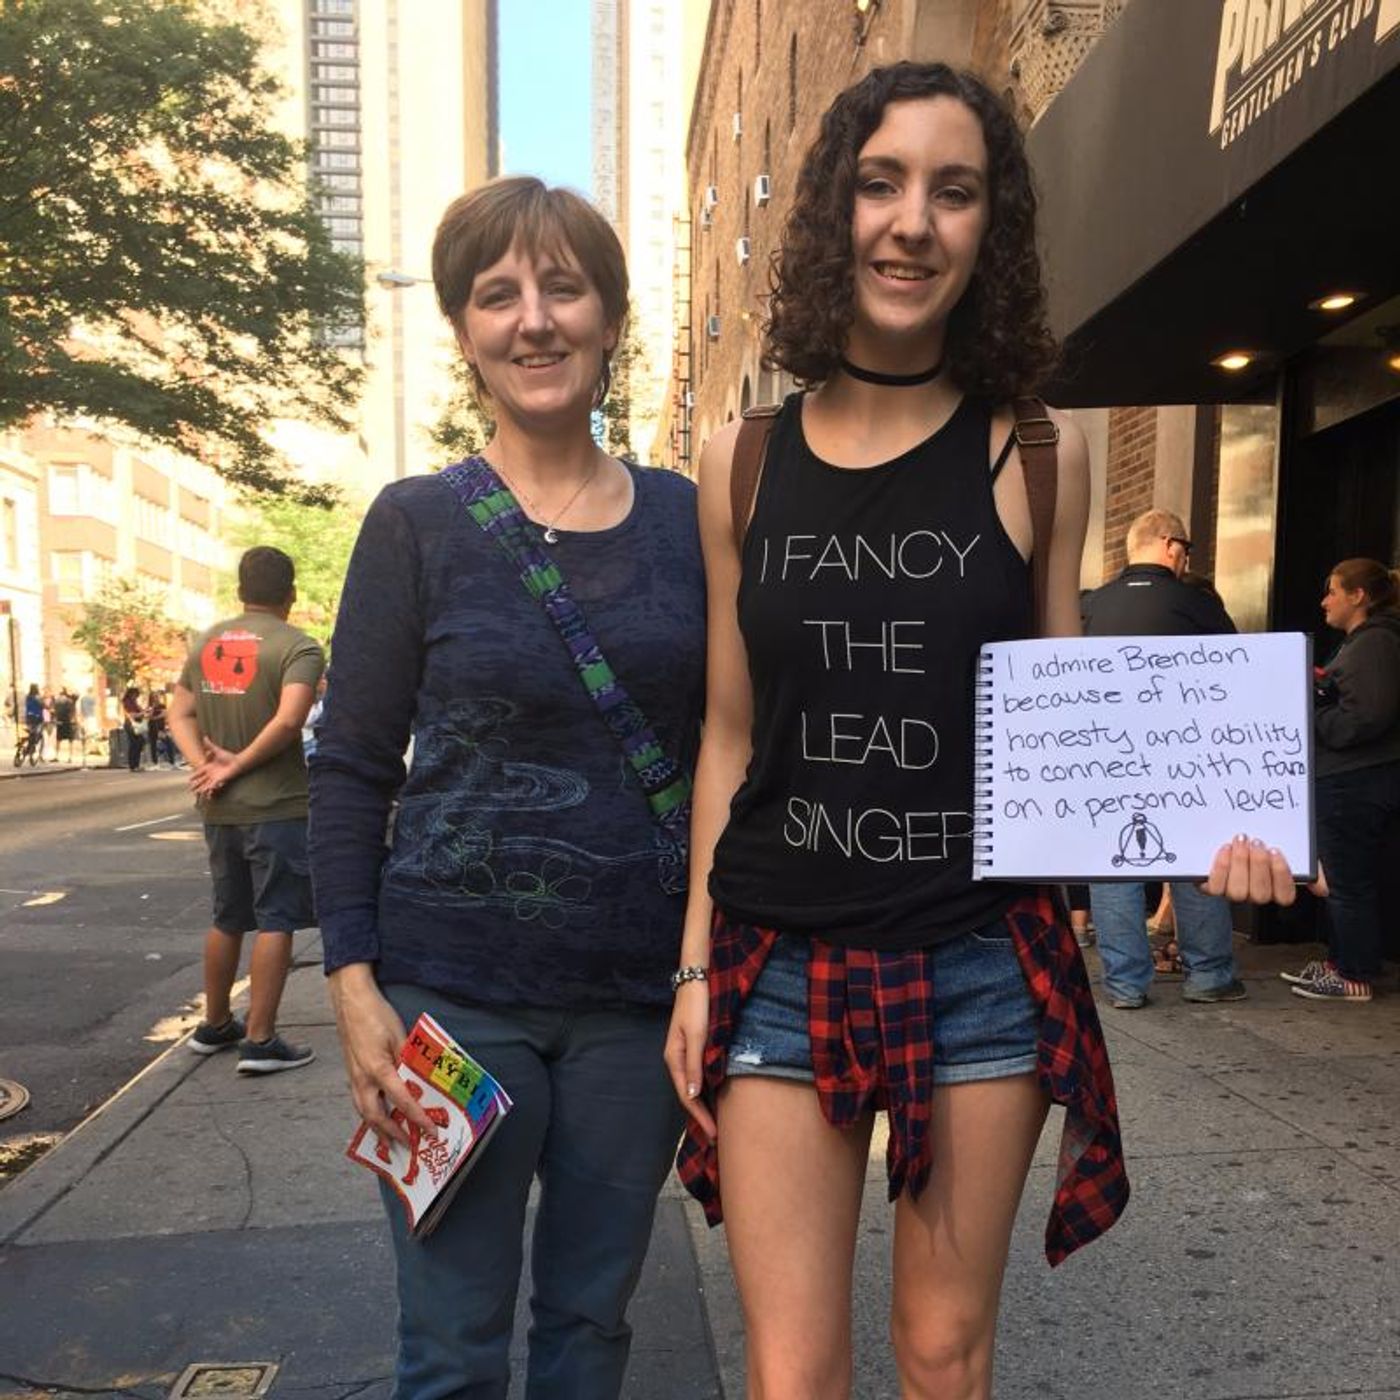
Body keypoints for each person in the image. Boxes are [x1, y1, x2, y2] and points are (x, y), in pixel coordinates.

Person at [662, 62, 1302, 1400]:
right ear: (835, 212)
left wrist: (1219, 828)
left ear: (987, 231)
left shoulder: (1034, 454)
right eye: (881, 184)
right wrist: (694, 970)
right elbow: (729, 737)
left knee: (947, 1359)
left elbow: (1081, 740)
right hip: (776, 954)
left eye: (952, 192)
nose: (913, 222)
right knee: (793, 1375)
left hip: (982, 957)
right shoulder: (742, 460)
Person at [309, 176, 705, 1399]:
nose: (533, 320)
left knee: (591, 1329)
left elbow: (735, 751)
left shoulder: (691, 519)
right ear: (465, 329)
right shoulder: (415, 521)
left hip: (636, 1009)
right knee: (451, 1347)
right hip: (446, 1004)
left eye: (562, 287)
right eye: (497, 295)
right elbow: (352, 761)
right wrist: (352, 983)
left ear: (610, 316)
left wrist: (705, 974)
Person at [1082, 508, 1248, 1008]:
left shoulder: (1090, 605)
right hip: (1186, 757)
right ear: (1172, 546)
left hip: (1105, 756)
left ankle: (1125, 985)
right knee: (1195, 858)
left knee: (1114, 865)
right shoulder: (1195, 605)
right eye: (1187, 550)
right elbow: (1237, 675)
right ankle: (1210, 975)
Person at [168, 546, 325, 1074]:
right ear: (291, 593)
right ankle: (260, 1039)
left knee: (227, 915)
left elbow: (179, 712)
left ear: (240, 590)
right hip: (277, 805)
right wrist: (231, 767)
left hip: (219, 809)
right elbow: (289, 721)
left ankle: (215, 1025)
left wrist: (204, 767)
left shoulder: (207, 641)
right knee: (276, 917)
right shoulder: (298, 646)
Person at [1285, 559, 1400, 1003]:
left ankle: (1352, 973)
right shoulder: (1364, 642)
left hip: (1356, 780)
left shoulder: (1375, 644)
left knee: (1346, 879)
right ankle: (1341, 961)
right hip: (1353, 777)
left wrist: (1313, 711)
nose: (1324, 601)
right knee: (1341, 875)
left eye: (1333, 591)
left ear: (1358, 597)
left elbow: (1366, 715)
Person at [120, 685, 146, 771]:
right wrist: (141, 714)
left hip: (137, 724)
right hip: (131, 724)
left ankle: (136, 765)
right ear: (131, 694)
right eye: (135, 694)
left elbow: (141, 711)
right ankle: (133, 765)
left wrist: (144, 712)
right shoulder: (127, 702)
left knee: (139, 743)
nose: (136, 696)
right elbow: (131, 714)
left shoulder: (134, 702)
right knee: (134, 744)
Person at [53, 689, 77, 763]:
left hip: (60, 722)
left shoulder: (57, 702)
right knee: (70, 740)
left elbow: (55, 712)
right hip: (68, 722)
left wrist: (56, 719)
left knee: (58, 740)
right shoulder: (70, 702)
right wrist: (75, 720)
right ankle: (70, 757)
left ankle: (56, 756)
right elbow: (73, 712)